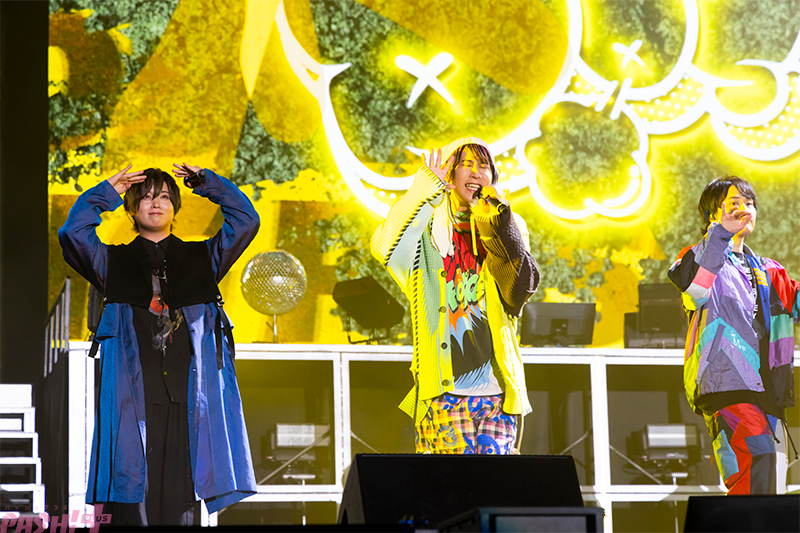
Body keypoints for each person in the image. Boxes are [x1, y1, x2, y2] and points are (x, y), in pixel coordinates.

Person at [58, 163, 259, 524]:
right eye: (147, 196)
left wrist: (207, 183)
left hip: (188, 400)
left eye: (164, 196)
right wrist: (107, 192)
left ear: (175, 206)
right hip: (133, 402)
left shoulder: (202, 258)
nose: (156, 203)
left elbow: (246, 221)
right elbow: (73, 232)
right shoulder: (112, 261)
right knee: (131, 500)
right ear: (132, 207)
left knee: (182, 505)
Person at [371, 137, 539, 454]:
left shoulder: (507, 224)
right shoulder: (426, 234)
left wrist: (498, 222)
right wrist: (424, 191)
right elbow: (384, 247)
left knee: (497, 485)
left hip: (497, 395)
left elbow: (522, 288)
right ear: (450, 175)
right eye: (467, 164)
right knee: (449, 484)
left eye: (484, 166)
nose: (476, 172)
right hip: (443, 396)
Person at [668, 175, 799, 494]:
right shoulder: (697, 257)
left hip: (767, 388)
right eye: (734, 203)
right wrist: (721, 235)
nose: (744, 210)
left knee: (768, 479)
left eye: (749, 203)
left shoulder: (769, 270)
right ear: (712, 214)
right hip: (726, 381)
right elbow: (695, 290)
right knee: (758, 461)